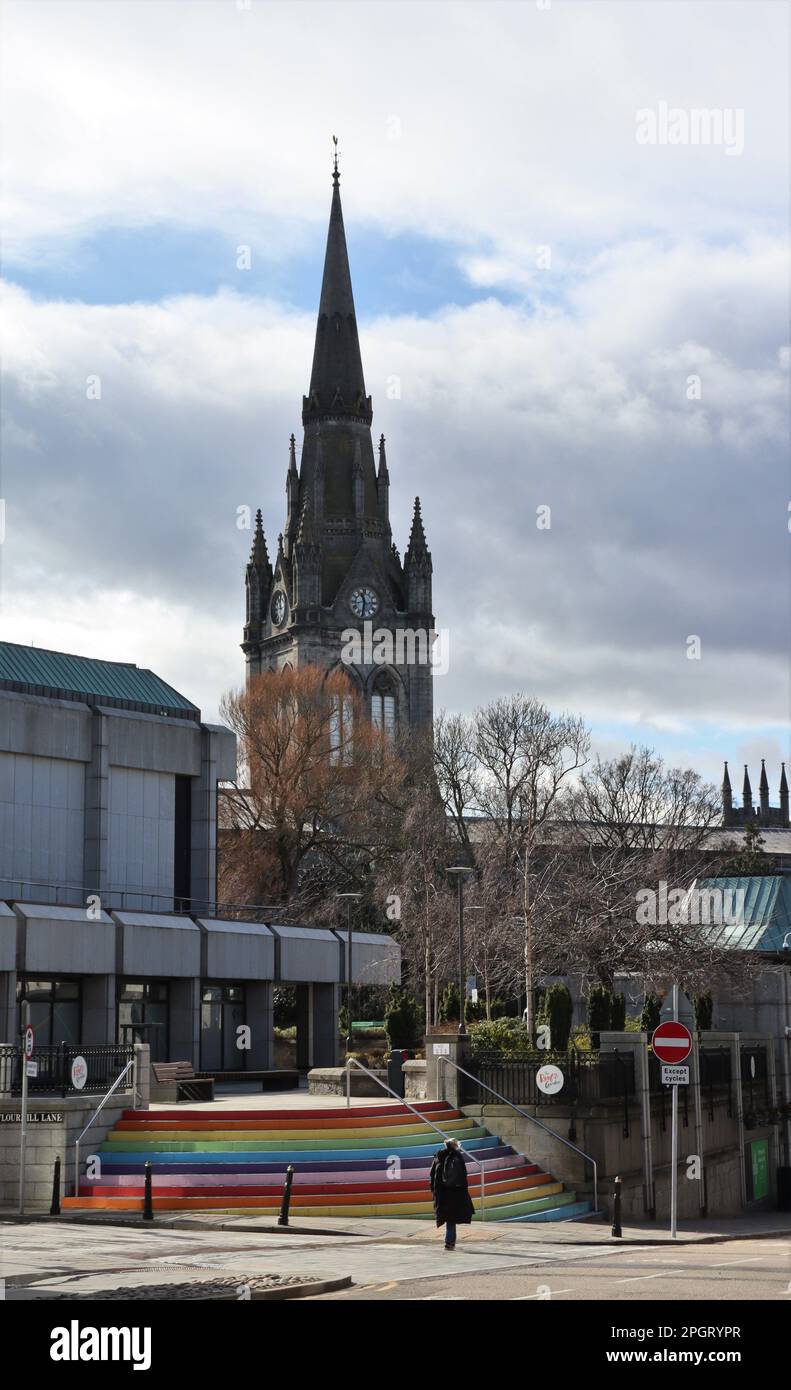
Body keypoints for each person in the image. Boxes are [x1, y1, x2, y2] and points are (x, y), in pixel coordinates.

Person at [430, 1136, 474, 1250]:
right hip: (455, 1192)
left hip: (441, 1193)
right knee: (451, 1219)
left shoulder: (438, 1156)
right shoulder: (457, 1157)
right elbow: (463, 1176)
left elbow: (432, 1174)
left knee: (448, 1218)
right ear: (455, 1146)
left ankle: (449, 1242)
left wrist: (434, 1191)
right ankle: (449, 1243)